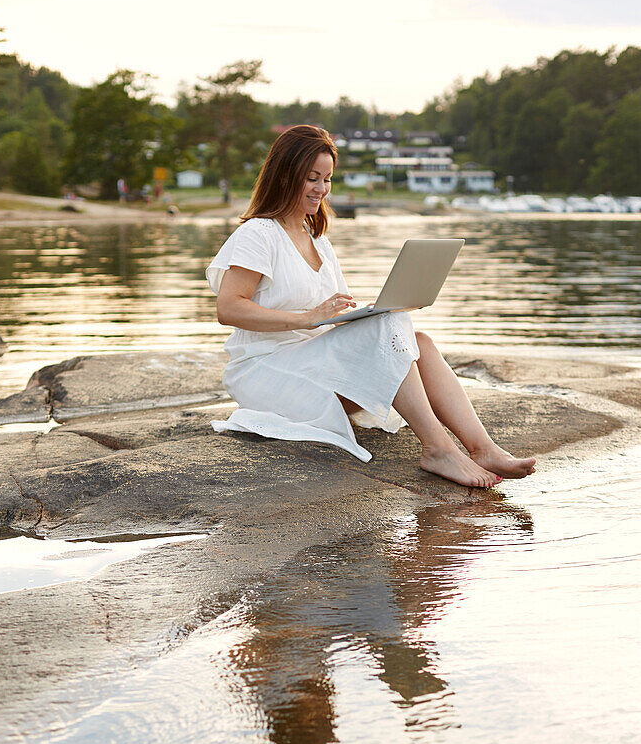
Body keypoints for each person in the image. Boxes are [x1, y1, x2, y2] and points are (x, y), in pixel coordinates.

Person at [206, 125, 535, 488]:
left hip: (312, 364)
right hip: (267, 373)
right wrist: (309, 319)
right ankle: (438, 448)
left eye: (327, 179)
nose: (321, 189)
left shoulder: (319, 241)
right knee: (387, 330)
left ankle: (483, 447)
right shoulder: (259, 233)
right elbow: (229, 308)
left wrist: (360, 315)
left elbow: (333, 317)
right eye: (312, 178)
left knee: (417, 339)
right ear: (284, 176)